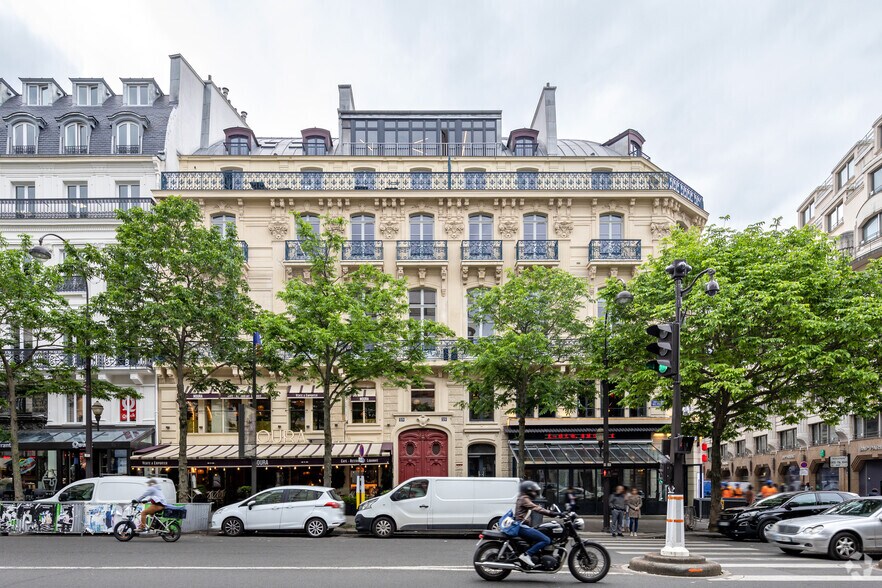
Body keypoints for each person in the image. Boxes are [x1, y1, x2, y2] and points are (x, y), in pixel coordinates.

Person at [514, 480, 557, 568]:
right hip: (521, 526)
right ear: (528, 491)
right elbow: (536, 508)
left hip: (522, 525)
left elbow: (535, 506)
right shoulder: (524, 499)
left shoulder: (523, 498)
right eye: (534, 491)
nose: (535, 493)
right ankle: (527, 555)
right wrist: (551, 513)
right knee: (546, 540)